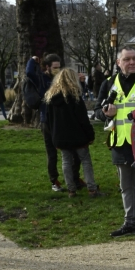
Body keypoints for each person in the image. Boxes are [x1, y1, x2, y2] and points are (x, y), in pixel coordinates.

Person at [94, 47, 135, 237]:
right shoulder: (109, 83)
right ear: (119, 62)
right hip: (120, 141)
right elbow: (97, 111)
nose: (132, 62)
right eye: (127, 59)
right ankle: (130, 223)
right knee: (126, 186)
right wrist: (105, 114)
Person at [26, 54, 85, 192]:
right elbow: (29, 72)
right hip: (47, 120)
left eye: (59, 67)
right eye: (55, 67)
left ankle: (74, 178)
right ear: (47, 67)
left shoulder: (61, 79)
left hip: (62, 121)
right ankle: (54, 180)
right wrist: (32, 60)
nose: (57, 70)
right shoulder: (41, 79)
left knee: (74, 151)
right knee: (52, 153)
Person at [45, 68, 103, 198]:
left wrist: (53, 135)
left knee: (66, 161)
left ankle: (71, 189)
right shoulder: (75, 96)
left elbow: (49, 120)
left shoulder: (51, 98)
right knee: (85, 161)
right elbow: (83, 119)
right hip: (78, 136)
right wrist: (90, 135)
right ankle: (92, 188)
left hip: (61, 136)